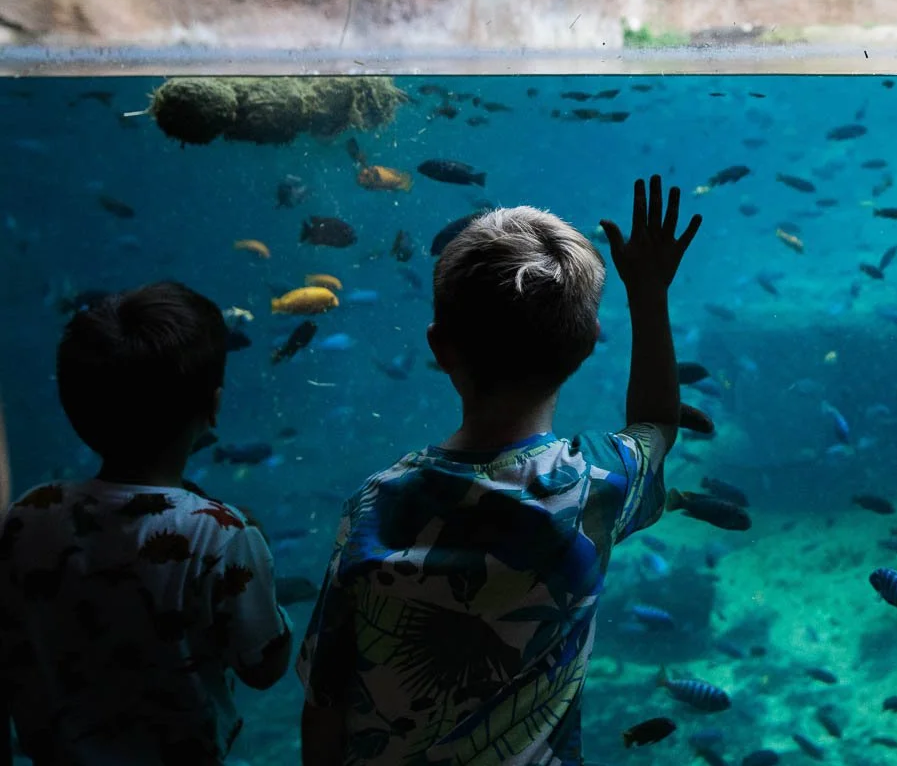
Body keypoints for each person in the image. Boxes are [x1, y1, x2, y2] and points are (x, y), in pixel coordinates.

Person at [297, 175, 701, 766]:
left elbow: (324, 699)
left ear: (439, 348)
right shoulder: (595, 485)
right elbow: (658, 424)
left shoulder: (375, 504)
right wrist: (648, 294)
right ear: (589, 343)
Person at [0, 281, 293, 765]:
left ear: (73, 407)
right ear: (213, 406)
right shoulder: (220, 532)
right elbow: (263, 665)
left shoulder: (31, 514)